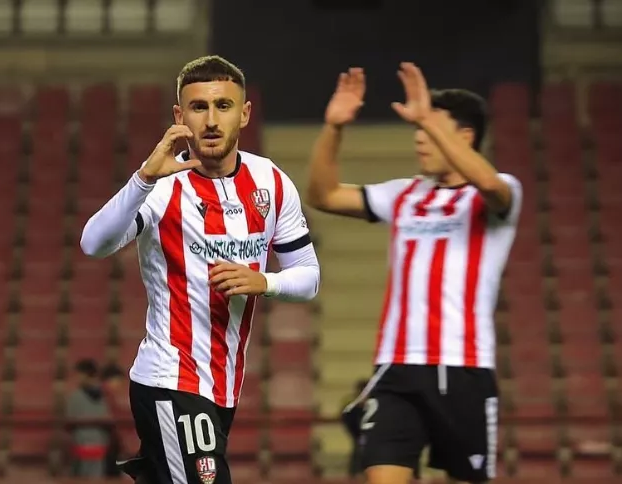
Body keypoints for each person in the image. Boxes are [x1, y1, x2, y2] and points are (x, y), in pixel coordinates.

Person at [80, 55, 320, 484]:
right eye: (198, 107)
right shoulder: (160, 188)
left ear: (244, 113)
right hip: (170, 378)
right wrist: (143, 177)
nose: (211, 120)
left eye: (223, 106)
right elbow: (93, 244)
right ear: (179, 116)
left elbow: (308, 277)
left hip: (223, 385)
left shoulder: (272, 182)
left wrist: (265, 281)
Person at [306, 63, 521, 484]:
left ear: (465, 137)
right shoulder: (404, 193)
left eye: (430, 127)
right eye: (419, 128)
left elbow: (491, 186)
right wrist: (333, 128)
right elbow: (323, 194)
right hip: (397, 370)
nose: (420, 137)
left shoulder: (500, 193)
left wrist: (425, 116)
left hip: (463, 368)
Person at [65, 359, 113, 478]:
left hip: (86, 446)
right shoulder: (106, 395)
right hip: (96, 446)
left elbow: (69, 421)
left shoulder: (76, 396)